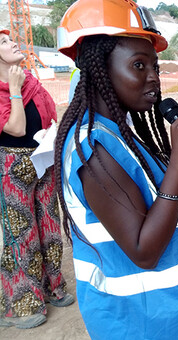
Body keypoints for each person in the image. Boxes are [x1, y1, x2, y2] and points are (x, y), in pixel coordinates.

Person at [54, 0, 178, 337]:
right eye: (139, 66)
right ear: (100, 68)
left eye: (155, 67)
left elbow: (145, 197)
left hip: (164, 311)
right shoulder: (93, 150)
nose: (154, 79)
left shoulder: (120, 132)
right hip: (136, 323)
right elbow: (144, 251)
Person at [0, 28, 73, 329]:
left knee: (49, 226)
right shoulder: (13, 86)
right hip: (13, 165)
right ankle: (20, 303)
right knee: (22, 233)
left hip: (42, 160)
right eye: (3, 42)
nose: (12, 42)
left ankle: (52, 286)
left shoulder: (30, 79)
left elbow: (50, 114)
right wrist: (15, 88)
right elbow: (15, 128)